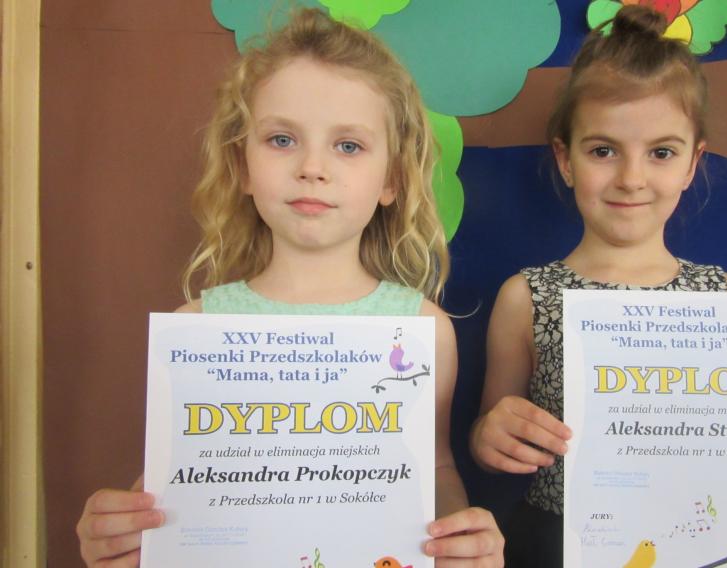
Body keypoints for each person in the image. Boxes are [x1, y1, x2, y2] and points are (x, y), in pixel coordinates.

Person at [76, 8, 503, 567]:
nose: (312, 167)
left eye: (348, 145)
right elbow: (181, 484)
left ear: (392, 178)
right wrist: (126, 535)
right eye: (282, 139)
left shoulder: (421, 329)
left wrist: (460, 542)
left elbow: (435, 468)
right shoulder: (198, 328)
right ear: (243, 167)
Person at [468, 5, 727, 566]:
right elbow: (487, 438)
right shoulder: (526, 296)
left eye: (661, 153)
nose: (631, 178)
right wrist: (490, 436)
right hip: (555, 543)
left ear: (692, 163)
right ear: (566, 158)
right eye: (603, 151)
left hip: (693, 541)